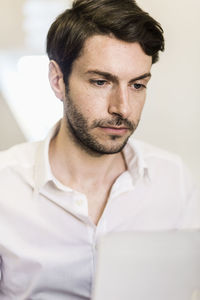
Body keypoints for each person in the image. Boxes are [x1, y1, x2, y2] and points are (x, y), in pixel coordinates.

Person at [0, 0, 199, 299]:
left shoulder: (174, 180)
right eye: (101, 81)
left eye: (137, 85)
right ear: (58, 80)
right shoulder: (5, 187)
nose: (122, 108)